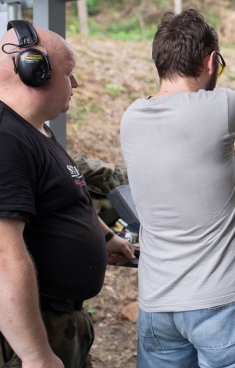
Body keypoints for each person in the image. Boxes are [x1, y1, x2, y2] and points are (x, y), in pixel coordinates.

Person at [119, 9, 235, 368]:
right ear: (209, 61)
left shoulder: (131, 117)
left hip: (157, 306)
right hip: (221, 303)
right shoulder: (221, 107)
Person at [0, 20, 136, 368]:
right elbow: (3, 255)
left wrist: (105, 238)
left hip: (60, 321)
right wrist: (35, 355)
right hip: (31, 331)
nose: (75, 83)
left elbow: (65, 197)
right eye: (69, 72)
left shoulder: (35, 131)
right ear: (35, 71)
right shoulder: (6, 139)